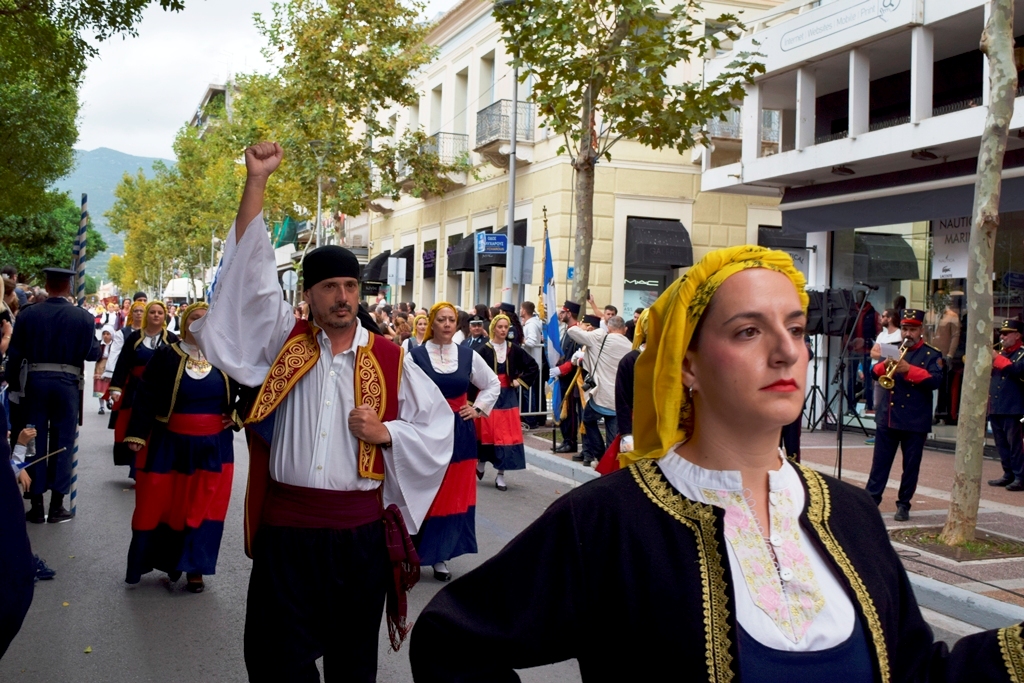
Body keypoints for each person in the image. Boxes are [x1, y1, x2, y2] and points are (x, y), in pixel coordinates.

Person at [410, 245, 1024, 682]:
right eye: (748, 331)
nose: (786, 351)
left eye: (795, 328)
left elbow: (915, 670)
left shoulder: (852, 515)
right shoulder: (607, 522)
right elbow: (452, 642)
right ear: (688, 364)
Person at [191, 142, 453, 681]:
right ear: (307, 295)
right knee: (274, 662)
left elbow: (438, 428)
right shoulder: (281, 343)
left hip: (357, 541)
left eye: (350, 286)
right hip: (286, 534)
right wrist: (256, 182)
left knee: (351, 668)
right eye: (330, 287)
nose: (342, 297)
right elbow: (249, 277)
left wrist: (389, 433)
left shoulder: (390, 359)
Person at [122, 302, 241, 592]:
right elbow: (146, 393)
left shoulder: (227, 356)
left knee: (204, 507)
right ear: (185, 323)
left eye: (206, 319)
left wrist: (239, 414)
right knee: (166, 506)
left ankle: (195, 568)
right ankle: (168, 560)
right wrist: (137, 433)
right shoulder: (166, 354)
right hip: (170, 445)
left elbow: (255, 384)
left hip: (215, 448)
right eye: (194, 319)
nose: (199, 323)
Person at [409, 302, 499, 581]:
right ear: (432, 323)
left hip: (459, 432)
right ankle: (412, 553)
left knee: (452, 494)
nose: (447, 324)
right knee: (425, 491)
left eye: (451, 319)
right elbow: (404, 392)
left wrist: (478, 408)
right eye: (441, 319)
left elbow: (492, 383)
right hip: (426, 430)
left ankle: (441, 554)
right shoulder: (414, 356)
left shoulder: (467, 355)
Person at [6, 267, 100, 523]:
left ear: (47, 286)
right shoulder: (83, 317)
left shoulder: (29, 314)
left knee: (33, 440)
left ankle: (36, 504)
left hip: (35, 382)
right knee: (63, 442)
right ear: (68, 287)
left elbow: (15, 353)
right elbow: (92, 353)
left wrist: (13, 385)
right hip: (67, 384)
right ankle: (57, 505)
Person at [865, 309, 941, 522]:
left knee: (910, 467)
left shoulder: (931, 354)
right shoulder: (893, 348)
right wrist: (885, 365)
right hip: (888, 417)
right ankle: (871, 501)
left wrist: (908, 370)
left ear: (921, 330)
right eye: (905, 329)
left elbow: (935, 381)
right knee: (879, 464)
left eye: (912, 330)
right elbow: (874, 373)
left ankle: (903, 504)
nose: (908, 334)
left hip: (915, 420)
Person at [108, 301, 179, 478]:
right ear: (148, 315)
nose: (156, 315)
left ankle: (154, 466)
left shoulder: (171, 339)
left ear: (165, 316)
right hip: (136, 389)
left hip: (161, 391)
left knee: (157, 428)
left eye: (160, 313)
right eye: (152, 312)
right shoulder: (134, 338)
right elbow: (123, 363)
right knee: (136, 425)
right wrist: (116, 388)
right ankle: (136, 468)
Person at [473, 313, 538, 491]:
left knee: (506, 434)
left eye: (506, 327)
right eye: (500, 327)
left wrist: (519, 381)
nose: (503, 330)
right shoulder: (483, 350)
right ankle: (481, 462)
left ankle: (501, 475)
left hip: (508, 397)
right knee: (488, 432)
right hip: (488, 395)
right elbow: (472, 372)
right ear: (493, 328)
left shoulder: (514, 349)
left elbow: (533, 366)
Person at [567, 314, 632, 466]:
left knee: (588, 420)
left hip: (600, 395)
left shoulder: (600, 337)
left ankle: (600, 454)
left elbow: (571, 331)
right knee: (612, 435)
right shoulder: (630, 346)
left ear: (608, 327)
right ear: (625, 329)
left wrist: (585, 329)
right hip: (619, 398)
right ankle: (608, 465)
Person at [987, 319, 1024, 492]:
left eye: (1006, 333)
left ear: (1017, 335)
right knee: (1001, 444)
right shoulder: (1003, 353)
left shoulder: (1021, 353)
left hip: (1013, 407)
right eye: (1001, 333)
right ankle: (1008, 473)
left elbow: (1017, 370)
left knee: (1015, 444)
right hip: (997, 405)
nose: (1002, 337)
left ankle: (1020, 476)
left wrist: (996, 358)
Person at [549, 301, 582, 454]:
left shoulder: (576, 332)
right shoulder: (568, 330)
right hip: (563, 377)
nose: (560, 315)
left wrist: (560, 369)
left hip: (571, 378)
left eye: (563, 312)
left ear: (569, 313)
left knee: (569, 412)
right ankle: (566, 439)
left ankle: (571, 441)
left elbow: (575, 358)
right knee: (563, 409)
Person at [846, 289, 879, 415]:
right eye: (858, 296)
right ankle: (851, 406)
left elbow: (877, 332)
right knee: (851, 379)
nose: (859, 299)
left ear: (865, 297)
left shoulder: (873, 313)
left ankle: (870, 405)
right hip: (853, 351)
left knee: (868, 378)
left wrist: (868, 343)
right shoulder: (851, 312)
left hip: (866, 351)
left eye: (861, 296)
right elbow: (846, 330)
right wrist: (848, 343)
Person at [933, 296, 962, 426]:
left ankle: (942, 413)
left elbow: (955, 336)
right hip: (931, 354)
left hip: (944, 355)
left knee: (944, 386)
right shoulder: (930, 315)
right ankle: (933, 412)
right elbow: (926, 332)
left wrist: (950, 353)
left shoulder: (952, 316)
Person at [519, 301, 545, 427]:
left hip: (531, 363)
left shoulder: (531, 325)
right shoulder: (531, 323)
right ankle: (530, 418)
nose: (520, 311)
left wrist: (522, 340)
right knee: (529, 392)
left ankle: (531, 420)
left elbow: (532, 342)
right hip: (532, 362)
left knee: (528, 392)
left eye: (521, 308)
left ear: (524, 310)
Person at [94, 325, 114, 414]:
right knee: (99, 387)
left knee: (109, 386)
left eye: (107, 334)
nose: (105, 336)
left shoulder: (114, 345)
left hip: (111, 365)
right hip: (100, 365)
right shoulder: (99, 344)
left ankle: (109, 400)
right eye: (104, 334)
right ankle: (101, 407)